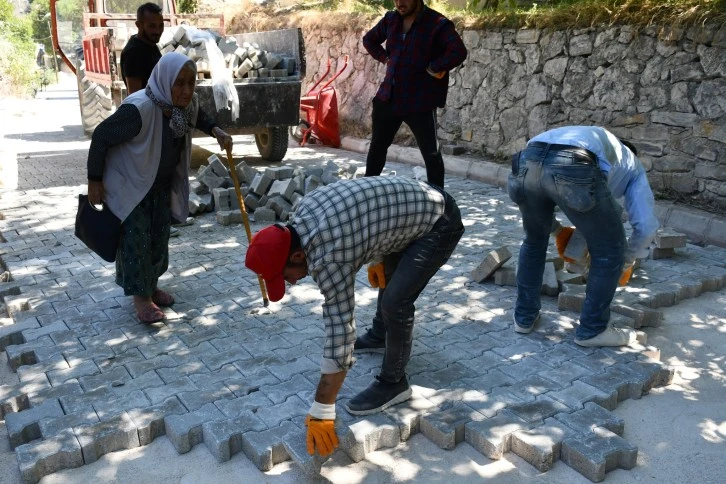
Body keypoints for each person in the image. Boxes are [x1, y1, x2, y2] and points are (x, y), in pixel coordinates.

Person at [245, 176, 464, 457]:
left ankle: (394, 382)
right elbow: (365, 218)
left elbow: (341, 329)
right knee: (390, 281)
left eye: (285, 276)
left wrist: (322, 408)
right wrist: (378, 257)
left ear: (298, 256)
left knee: (396, 302)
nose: (291, 284)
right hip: (414, 206)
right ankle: (379, 335)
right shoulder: (302, 213)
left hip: (437, 222)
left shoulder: (328, 257)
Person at [86, 52, 233, 323]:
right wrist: (94, 179)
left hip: (158, 184)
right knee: (136, 240)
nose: (187, 90)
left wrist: (216, 131)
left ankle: (151, 286)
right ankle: (140, 299)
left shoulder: (185, 106)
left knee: (157, 238)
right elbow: (101, 135)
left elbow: (200, 116)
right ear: (165, 80)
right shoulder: (139, 109)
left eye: (191, 82)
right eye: (180, 83)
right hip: (131, 184)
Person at [508, 125, 660, 347]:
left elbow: (541, 196)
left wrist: (558, 231)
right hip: (574, 163)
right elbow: (646, 226)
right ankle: (593, 330)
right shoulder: (633, 166)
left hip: (526, 160)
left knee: (533, 241)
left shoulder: (596, 142)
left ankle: (523, 318)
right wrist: (626, 260)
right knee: (609, 251)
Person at [362, 0, 467, 188]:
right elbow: (369, 40)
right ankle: (367, 196)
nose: (400, 3)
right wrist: (385, 58)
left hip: (420, 101)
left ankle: (439, 204)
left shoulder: (437, 23)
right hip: (388, 96)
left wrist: (434, 67)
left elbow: (458, 51)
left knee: (431, 155)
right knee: (376, 150)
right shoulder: (390, 19)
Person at [120, 2, 164, 94]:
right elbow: (135, 96)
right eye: (152, 26)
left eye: (161, 26)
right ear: (139, 25)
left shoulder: (150, 43)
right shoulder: (134, 53)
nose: (157, 31)